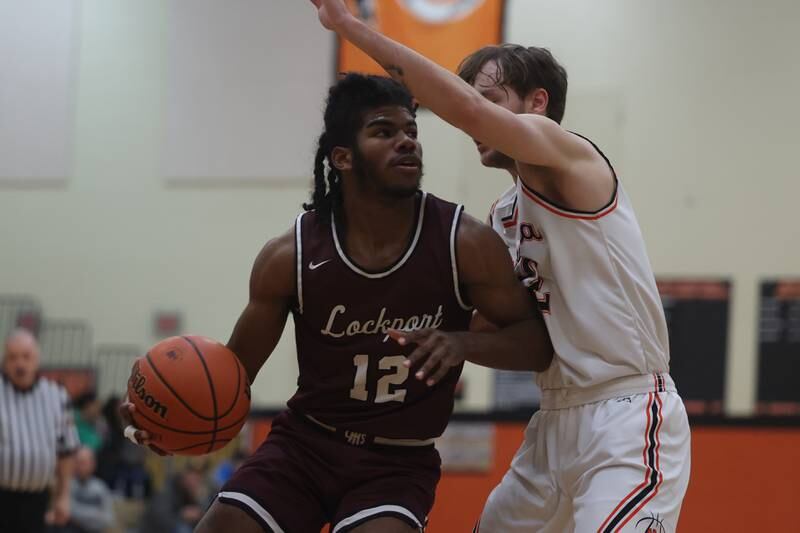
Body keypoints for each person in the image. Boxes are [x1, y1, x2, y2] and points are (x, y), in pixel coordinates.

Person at [309, 2, 691, 531]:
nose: (472, 115)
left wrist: (354, 31)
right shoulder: (504, 216)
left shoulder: (570, 156)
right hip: (554, 420)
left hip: (627, 412)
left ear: (537, 103)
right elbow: (506, 332)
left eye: (488, 99)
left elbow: (462, 109)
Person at [122, 73, 552, 533]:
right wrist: (164, 419)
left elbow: (537, 343)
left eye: (411, 131)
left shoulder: (463, 242)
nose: (407, 142)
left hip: (397, 461)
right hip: (304, 446)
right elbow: (234, 376)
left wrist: (462, 343)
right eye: (384, 132)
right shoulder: (290, 256)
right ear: (342, 158)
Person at [0, 328, 80, 533]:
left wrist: (63, 496)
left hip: (37, 498)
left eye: (26, 357)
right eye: (13, 357)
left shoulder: (56, 395)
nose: (20, 364)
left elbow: (67, 450)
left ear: (37, 359)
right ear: (4, 362)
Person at [60, 447, 115, 533]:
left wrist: (75, 515)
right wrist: (95, 514)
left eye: (83, 463)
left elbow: (107, 519)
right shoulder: (66, 485)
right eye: (77, 462)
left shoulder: (100, 488)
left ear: (93, 464)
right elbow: (65, 513)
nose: (80, 466)